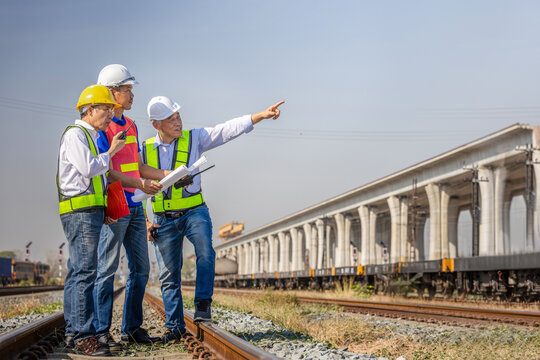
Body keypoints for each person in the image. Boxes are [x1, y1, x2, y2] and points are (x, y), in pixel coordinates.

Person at [143, 96, 284, 343]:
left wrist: (260, 116)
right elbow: (135, 188)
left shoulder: (194, 138)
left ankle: (203, 306)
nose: (178, 122)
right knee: (168, 275)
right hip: (162, 219)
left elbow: (225, 130)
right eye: (171, 119)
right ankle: (174, 328)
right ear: (157, 125)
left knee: (206, 253)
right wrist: (146, 221)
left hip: (194, 211)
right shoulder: (143, 150)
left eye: (178, 116)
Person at [93, 64, 167, 348]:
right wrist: (138, 186)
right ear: (112, 92)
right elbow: (106, 170)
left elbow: (136, 166)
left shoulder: (132, 125)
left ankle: (132, 329)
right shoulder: (102, 126)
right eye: (127, 89)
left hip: (135, 205)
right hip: (115, 203)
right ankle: (101, 331)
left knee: (141, 269)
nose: (132, 94)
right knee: (107, 268)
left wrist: (166, 175)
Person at [57, 85, 125, 356]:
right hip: (81, 213)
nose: (110, 114)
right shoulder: (77, 134)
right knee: (85, 272)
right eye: (106, 109)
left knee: (77, 272)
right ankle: (85, 337)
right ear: (90, 110)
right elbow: (88, 169)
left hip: (87, 211)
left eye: (111, 109)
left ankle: (74, 331)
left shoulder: (89, 135)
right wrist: (112, 152)